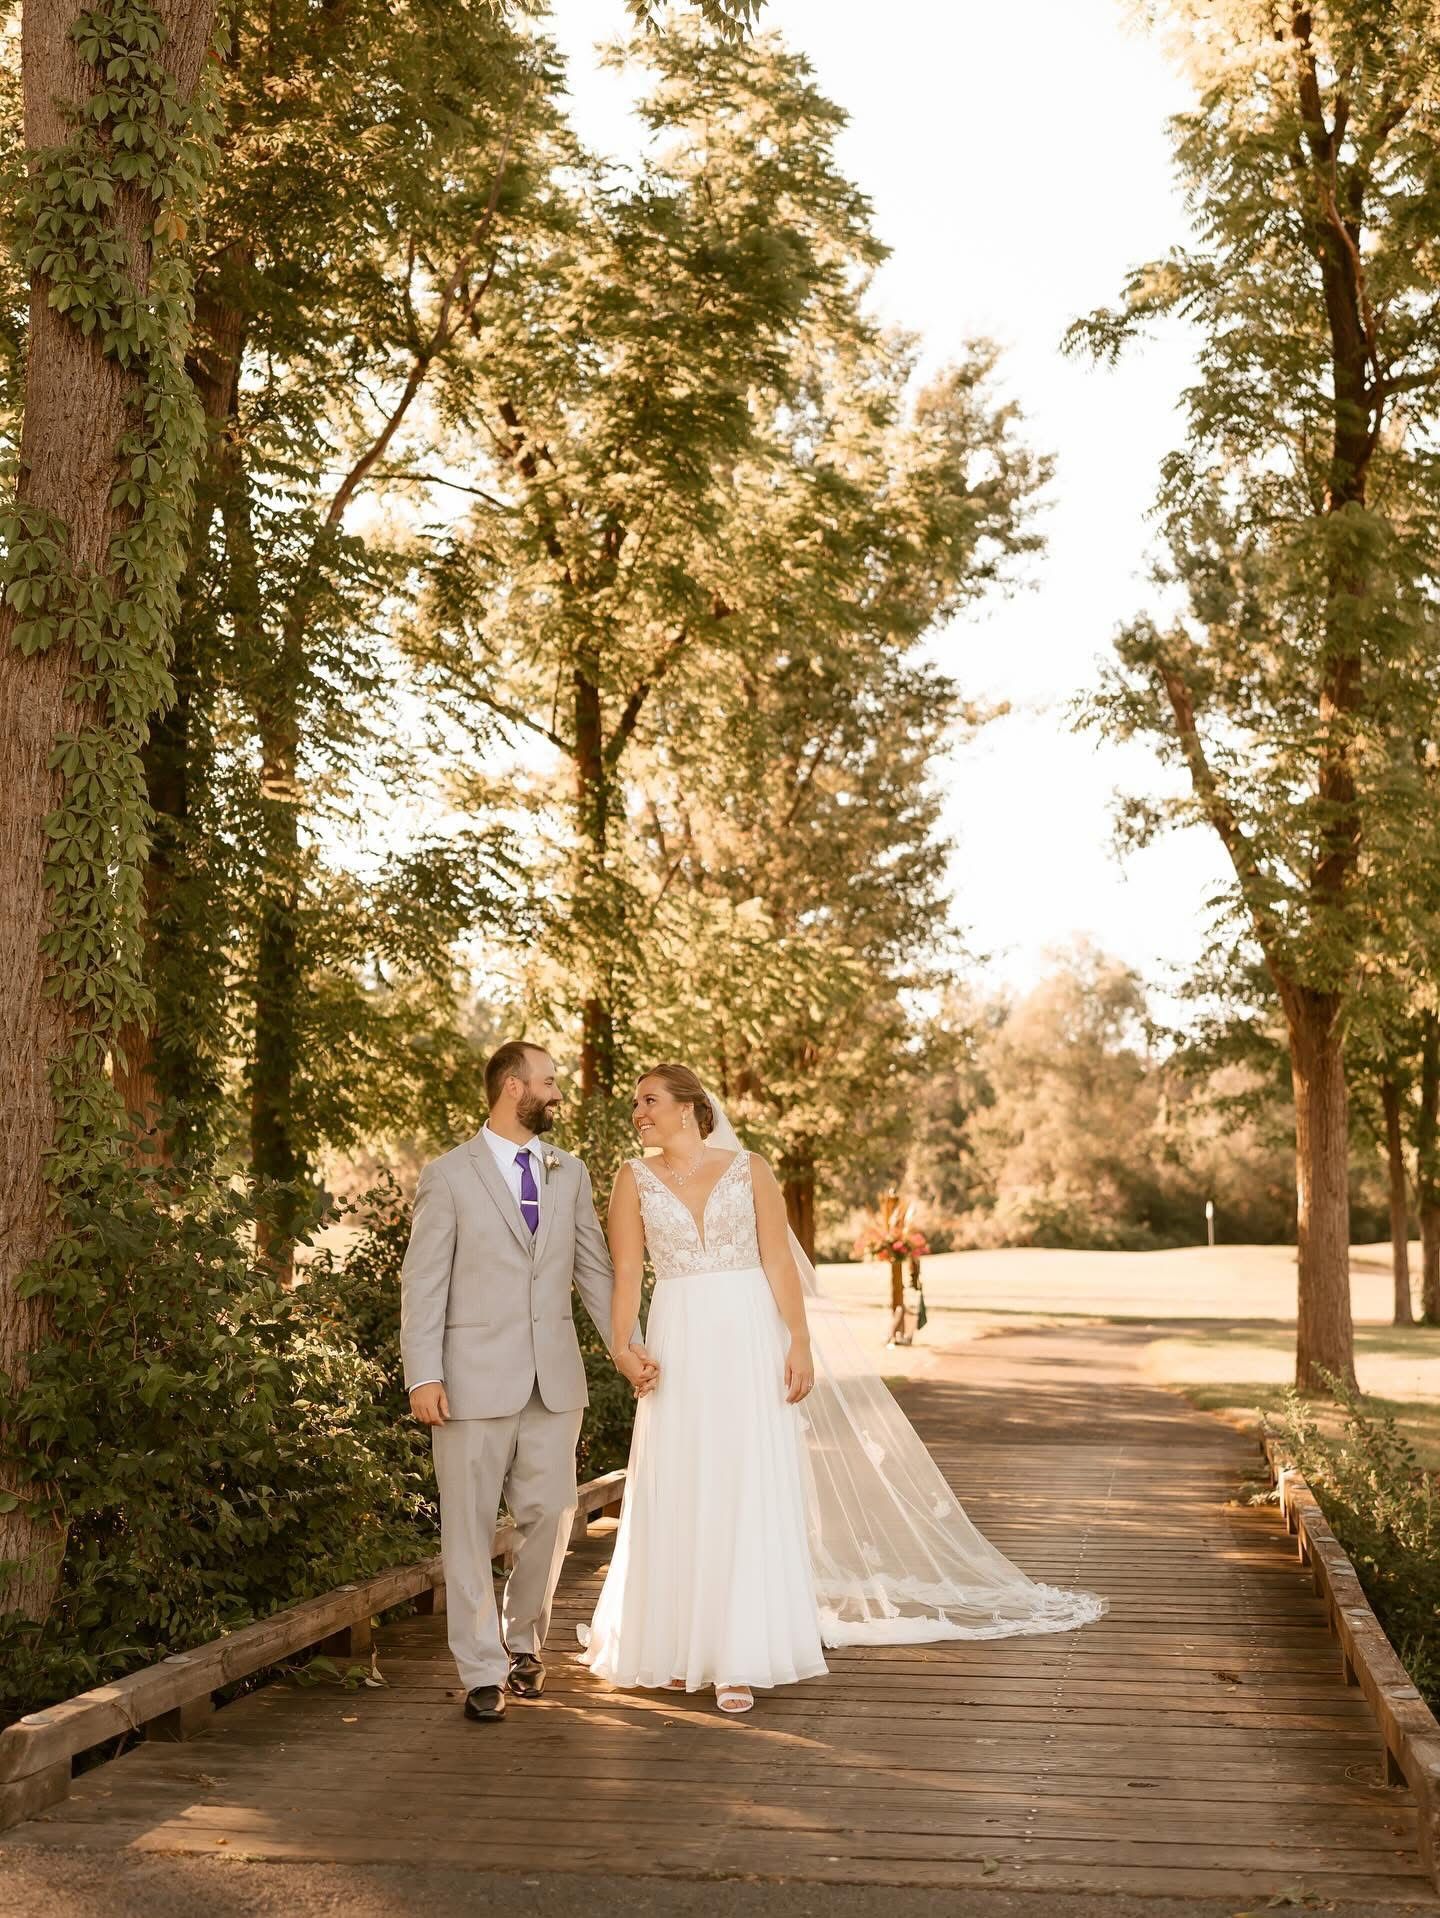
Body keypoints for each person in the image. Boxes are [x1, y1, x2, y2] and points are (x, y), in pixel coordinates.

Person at [580, 1064, 1106, 1716]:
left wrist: (797, 1341)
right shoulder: (632, 1179)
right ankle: (671, 1645)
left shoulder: (752, 1170)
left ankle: (738, 1654)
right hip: (678, 1339)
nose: (638, 1112)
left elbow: (777, 1258)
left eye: (649, 1101)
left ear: (689, 1108)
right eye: (637, 1103)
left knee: (745, 1480)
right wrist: (622, 1347)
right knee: (681, 1479)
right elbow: (626, 1272)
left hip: (748, 1333)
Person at [400, 1040, 657, 1725]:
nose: (558, 1094)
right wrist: (422, 1373)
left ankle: (523, 1645)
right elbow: (423, 1281)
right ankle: (481, 1669)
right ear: (513, 1088)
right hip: (468, 1384)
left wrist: (626, 1347)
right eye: (548, 1082)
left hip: (554, 1383)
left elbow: (595, 1271)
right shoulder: (448, 1176)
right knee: (468, 1528)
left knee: (550, 1518)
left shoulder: (567, 1171)